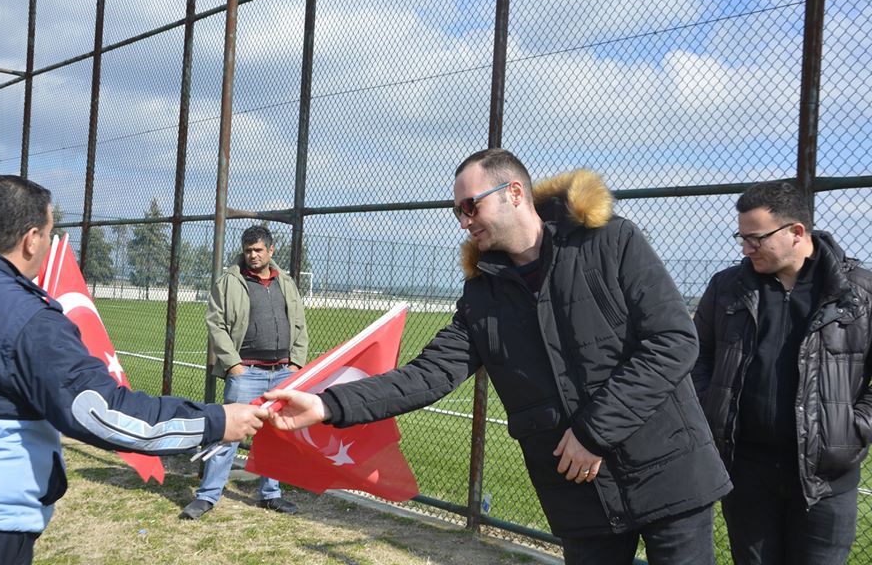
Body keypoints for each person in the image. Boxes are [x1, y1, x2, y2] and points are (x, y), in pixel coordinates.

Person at [264, 148, 731, 564]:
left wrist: (592, 433)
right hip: (578, 494)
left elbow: (673, 342)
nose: (464, 221)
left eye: (471, 206)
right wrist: (327, 404)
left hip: (669, 471)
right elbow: (429, 374)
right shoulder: (481, 296)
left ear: (513, 193)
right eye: (457, 212)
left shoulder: (610, 241)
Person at [0, 175, 268, 564]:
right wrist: (215, 421)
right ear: (31, 239)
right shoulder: (27, 318)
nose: (48, 246)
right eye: (49, 235)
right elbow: (100, 412)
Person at [692, 180, 872, 565]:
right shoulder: (728, 287)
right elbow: (697, 355)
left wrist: (852, 426)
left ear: (796, 232)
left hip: (825, 479)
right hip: (747, 471)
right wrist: (711, 404)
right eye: (741, 238)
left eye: (755, 238)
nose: (745, 249)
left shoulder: (858, 293)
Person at [179, 225, 308, 520]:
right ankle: (207, 496)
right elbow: (216, 324)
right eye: (248, 250)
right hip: (246, 372)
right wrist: (234, 365)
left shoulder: (285, 282)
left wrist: (296, 363)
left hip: (282, 373)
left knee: (276, 436)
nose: (252, 255)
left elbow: (299, 324)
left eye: (258, 250)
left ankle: (270, 494)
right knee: (227, 435)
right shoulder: (229, 281)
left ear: (271, 251)